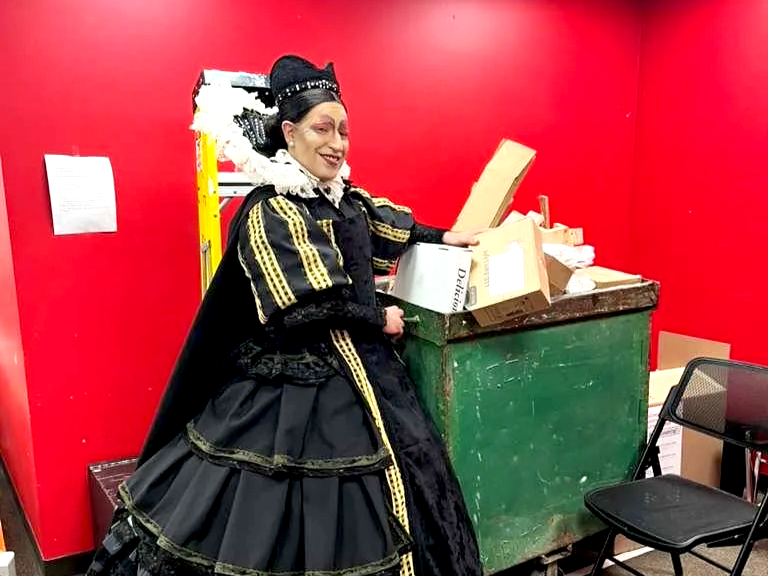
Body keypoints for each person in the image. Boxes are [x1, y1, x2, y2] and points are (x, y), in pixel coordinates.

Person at [87, 55, 483, 576]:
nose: (337, 142)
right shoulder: (271, 208)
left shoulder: (344, 200)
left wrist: (446, 236)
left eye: (343, 130)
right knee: (289, 516)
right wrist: (378, 317)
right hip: (300, 381)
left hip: (370, 374)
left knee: (410, 487)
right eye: (323, 128)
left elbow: (390, 227)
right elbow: (302, 307)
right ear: (290, 133)